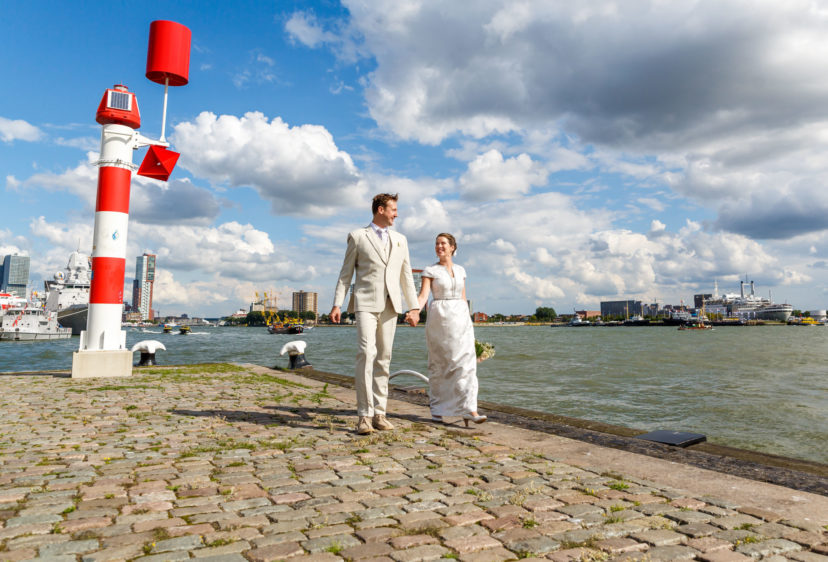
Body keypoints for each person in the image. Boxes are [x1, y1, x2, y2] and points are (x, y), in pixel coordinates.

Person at [331, 193, 420, 435]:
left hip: (391, 306)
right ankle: (364, 415)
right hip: (365, 303)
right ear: (381, 210)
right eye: (393, 209)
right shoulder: (358, 236)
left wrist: (413, 307)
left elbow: (406, 276)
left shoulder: (401, 240)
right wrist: (337, 304)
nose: (396, 214)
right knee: (366, 353)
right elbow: (345, 275)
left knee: (384, 358)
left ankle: (380, 413)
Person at [416, 233, 486, 427]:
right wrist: (414, 311)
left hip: (461, 316)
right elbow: (423, 296)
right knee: (441, 363)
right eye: (436, 243)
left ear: (453, 247)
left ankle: (469, 409)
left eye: (443, 243)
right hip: (440, 317)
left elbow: (463, 297)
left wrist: (468, 321)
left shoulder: (461, 270)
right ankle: (438, 408)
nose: (439, 246)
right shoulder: (430, 270)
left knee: (466, 362)